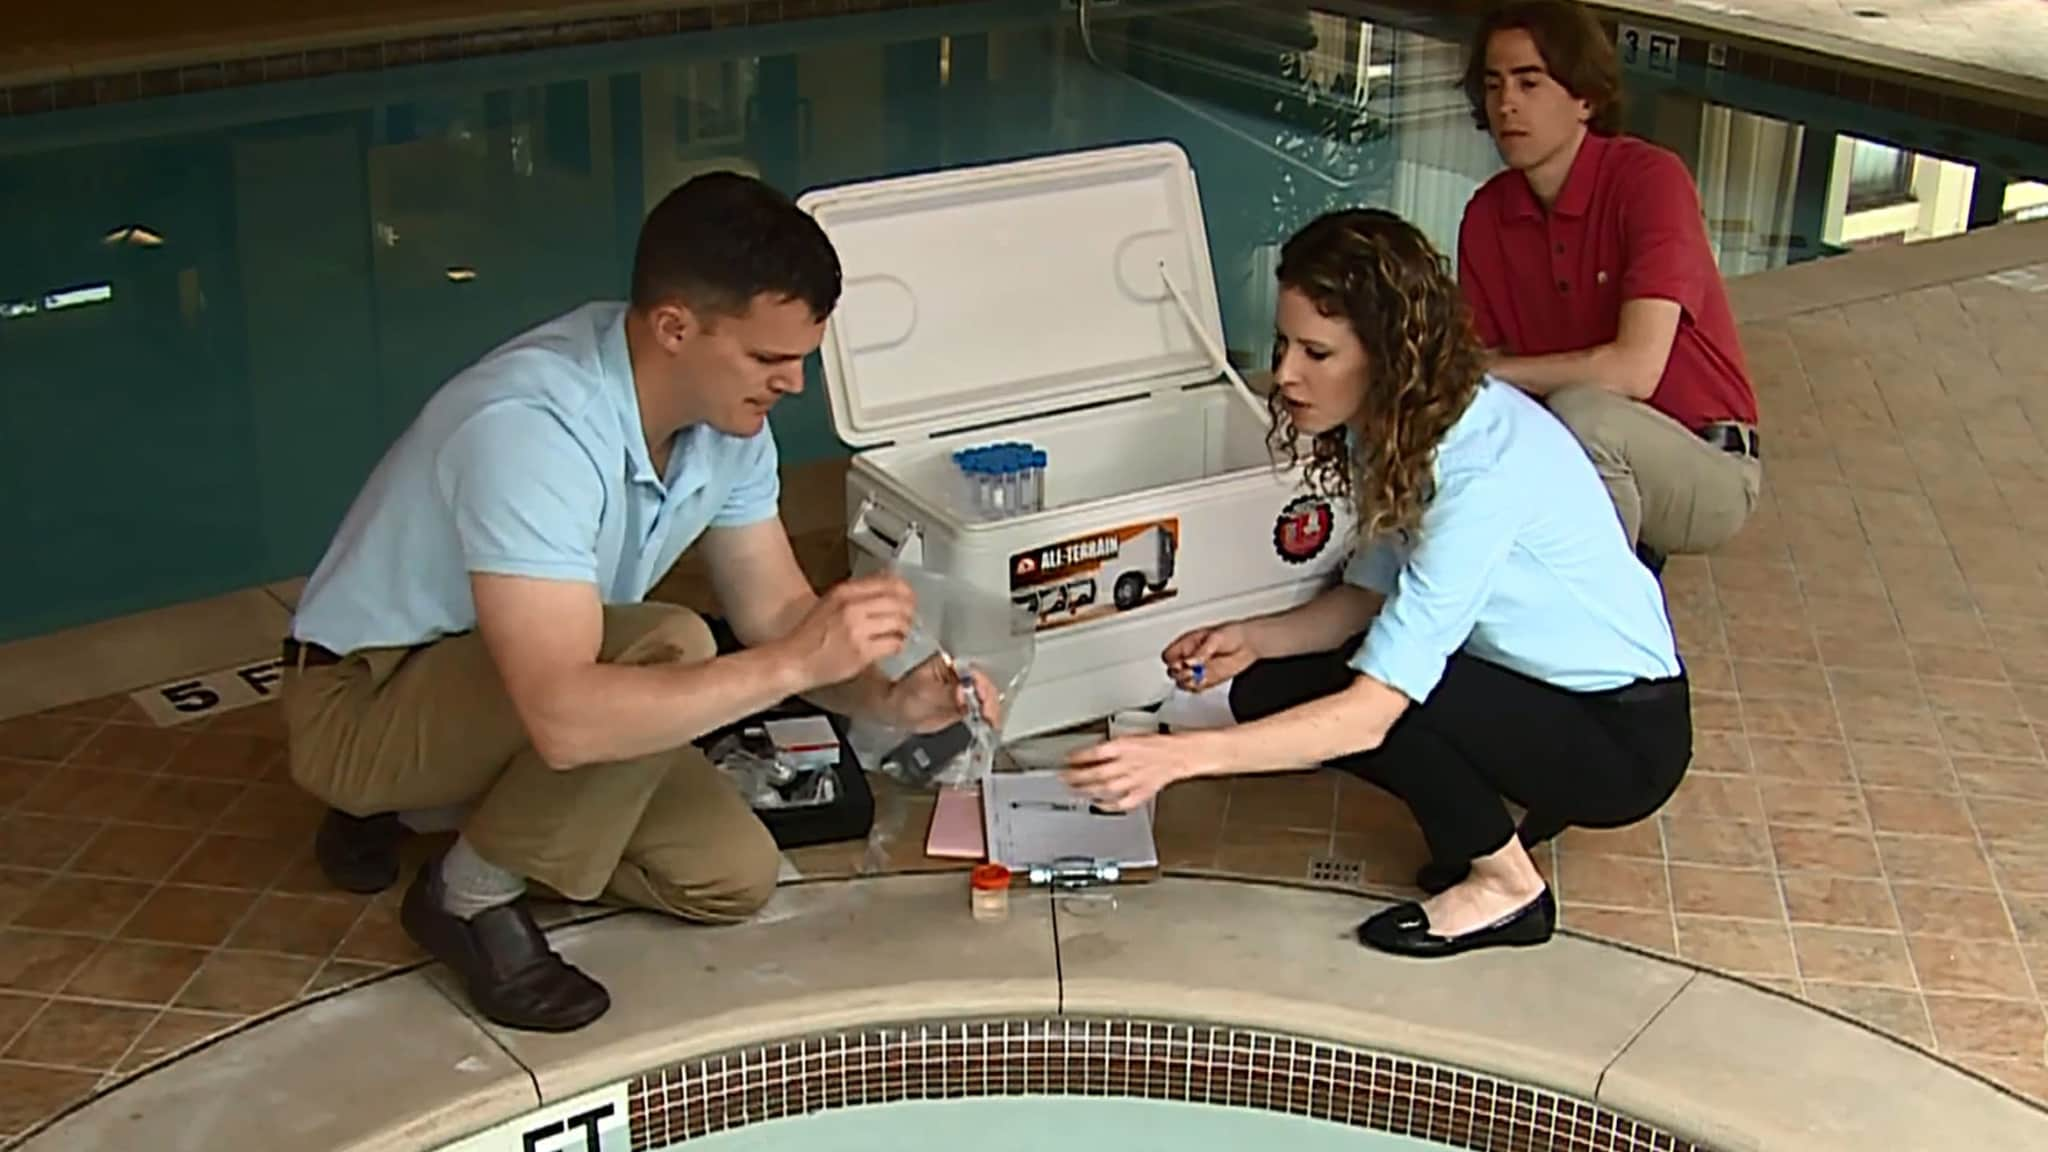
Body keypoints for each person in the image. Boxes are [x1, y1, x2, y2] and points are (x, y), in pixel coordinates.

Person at [282, 171, 983, 1032]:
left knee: (731, 876)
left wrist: (888, 700)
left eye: (801, 356)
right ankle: (463, 891)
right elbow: (569, 719)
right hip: (367, 697)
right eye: (769, 358)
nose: (794, 384)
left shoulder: (729, 429)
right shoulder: (532, 429)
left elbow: (774, 616)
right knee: (672, 647)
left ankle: (443, 805)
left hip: (509, 686)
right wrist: (792, 664)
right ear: (676, 328)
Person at [1063, 209, 1692, 958]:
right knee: (1292, 684)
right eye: (1284, 344)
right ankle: (1507, 803)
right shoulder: (1402, 425)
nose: (1286, 374)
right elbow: (1366, 596)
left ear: (1389, 355)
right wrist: (1252, 639)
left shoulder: (1480, 474)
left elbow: (1367, 713)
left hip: (1621, 739)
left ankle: (1508, 891)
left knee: (1387, 704)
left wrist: (1178, 761)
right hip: (1533, 686)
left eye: (1316, 352)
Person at [1454, 0, 1761, 573]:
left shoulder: (1648, 181)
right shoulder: (1487, 216)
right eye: (1493, 85)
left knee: (1582, 414)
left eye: (1529, 82)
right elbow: (1480, 382)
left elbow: (1634, 370)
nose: (1506, 104)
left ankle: (1603, 619)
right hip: (1573, 445)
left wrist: (1486, 374)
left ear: (1584, 98)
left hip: (1708, 462)